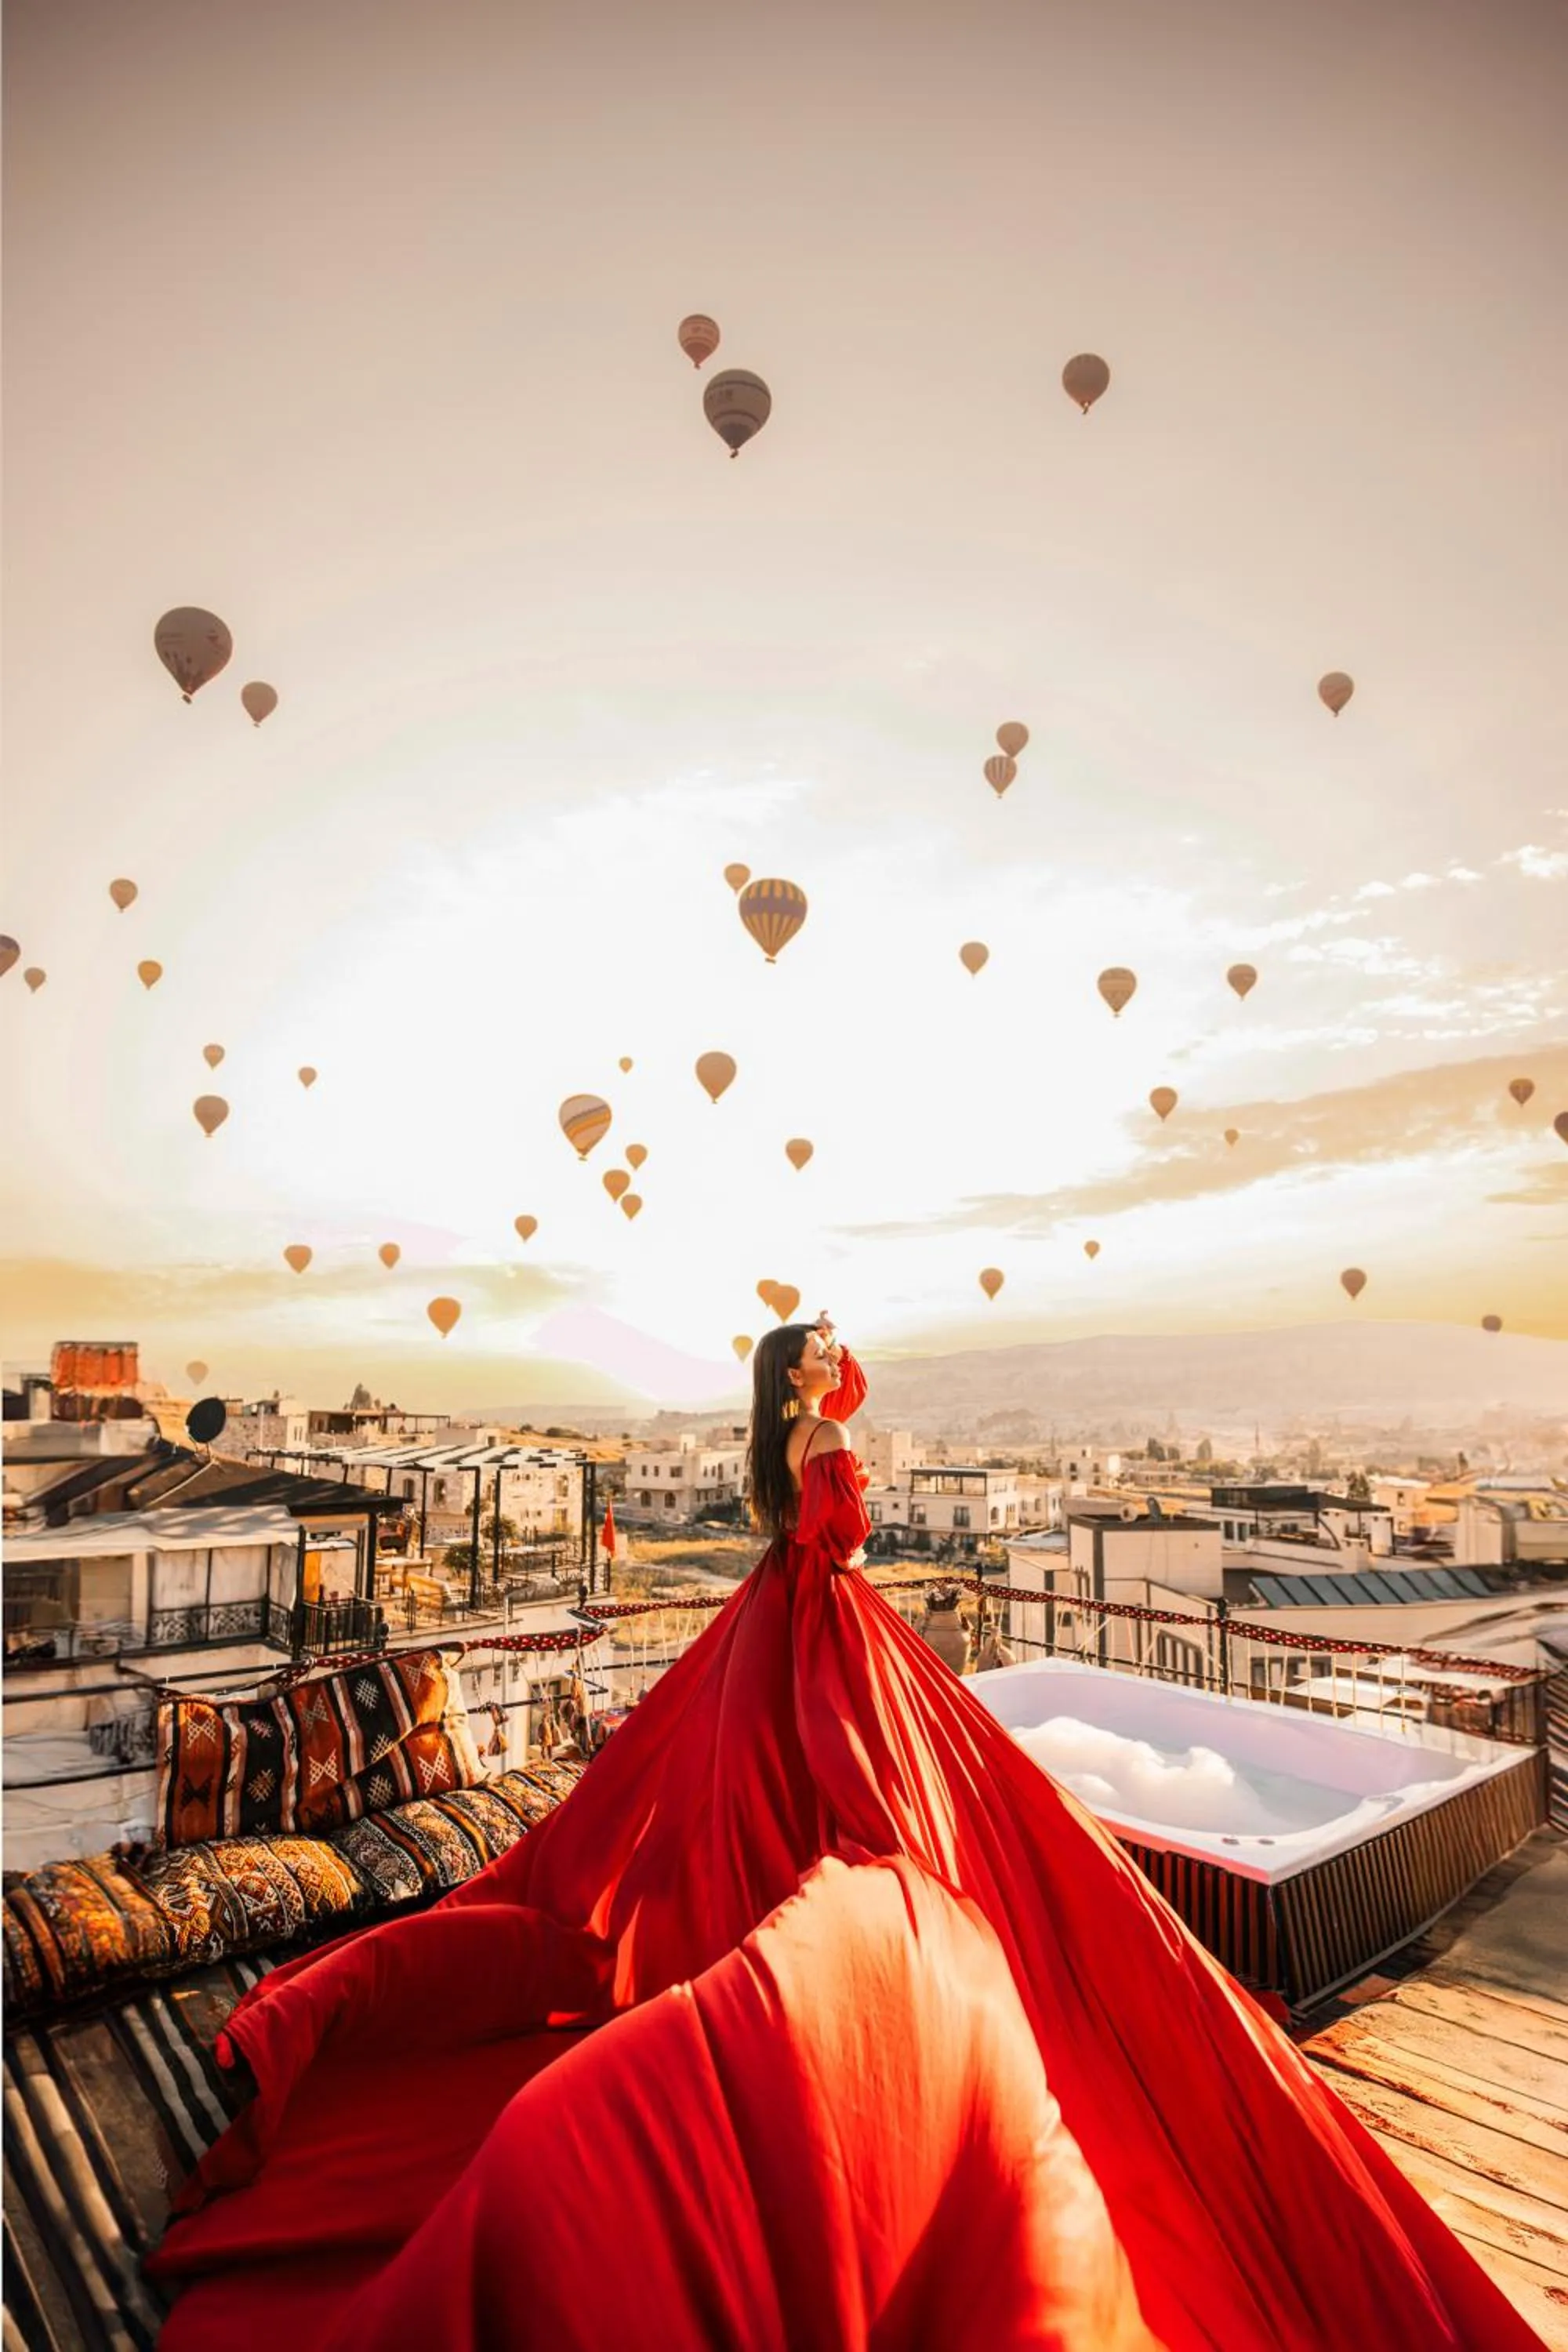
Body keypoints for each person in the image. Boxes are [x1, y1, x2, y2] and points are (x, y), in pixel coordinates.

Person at [146, 1319, 1545, 2350]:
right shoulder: (820, 1443)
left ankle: (750, 1906)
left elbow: (822, 1476)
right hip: (826, 1610)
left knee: (741, 1772)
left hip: (782, 1610)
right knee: (846, 1782)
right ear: (796, 1380)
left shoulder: (788, 1432)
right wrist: (841, 1445)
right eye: (817, 1347)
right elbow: (850, 1538)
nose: (834, 1357)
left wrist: (823, 1389)